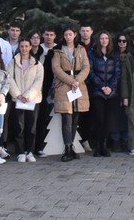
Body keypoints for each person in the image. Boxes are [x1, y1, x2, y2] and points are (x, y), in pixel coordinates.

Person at [52, 26, 91, 162]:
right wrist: (70, 80)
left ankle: (72, 146)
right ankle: (67, 147)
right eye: (66, 34)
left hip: (78, 86)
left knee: (75, 118)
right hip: (64, 87)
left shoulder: (80, 49)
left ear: (74, 35)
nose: (68, 37)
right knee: (66, 119)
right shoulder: (58, 51)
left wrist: (78, 80)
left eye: (70, 34)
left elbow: (86, 67)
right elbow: (56, 68)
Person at [9, 38, 44, 163]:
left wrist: (28, 95)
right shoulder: (12, 62)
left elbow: (38, 82)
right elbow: (10, 79)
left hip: (32, 100)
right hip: (18, 99)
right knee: (19, 126)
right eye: (22, 46)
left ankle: (29, 151)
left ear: (30, 47)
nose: (24, 49)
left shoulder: (37, 64)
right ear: (19, 47)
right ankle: (20, 152)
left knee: (31, 127)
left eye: (26, 46)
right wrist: (18, 95)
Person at [87, 31, 121, 157]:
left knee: (107, 120)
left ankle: (105, 147)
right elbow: (90, 72)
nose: (104, 40)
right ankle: (98, 146)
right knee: (99, 119)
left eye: (106, 38)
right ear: (98, 40)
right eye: (102, 38)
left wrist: (111, 87)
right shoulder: (93, 53)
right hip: (97, 92)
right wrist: (101, 86)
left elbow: (117, 73)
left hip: (111, 93)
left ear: (109, 40)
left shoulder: (115, 54)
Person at [35, 27, 57, 156]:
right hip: (39, 88)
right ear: (43, 35)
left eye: (51, 34)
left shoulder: (58, 48)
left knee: (51, 118)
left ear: (55, 36)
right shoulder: (39, 48)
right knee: (40, 118)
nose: (49, 36)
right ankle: (38, 145)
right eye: (47, 34)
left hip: (55, 87)